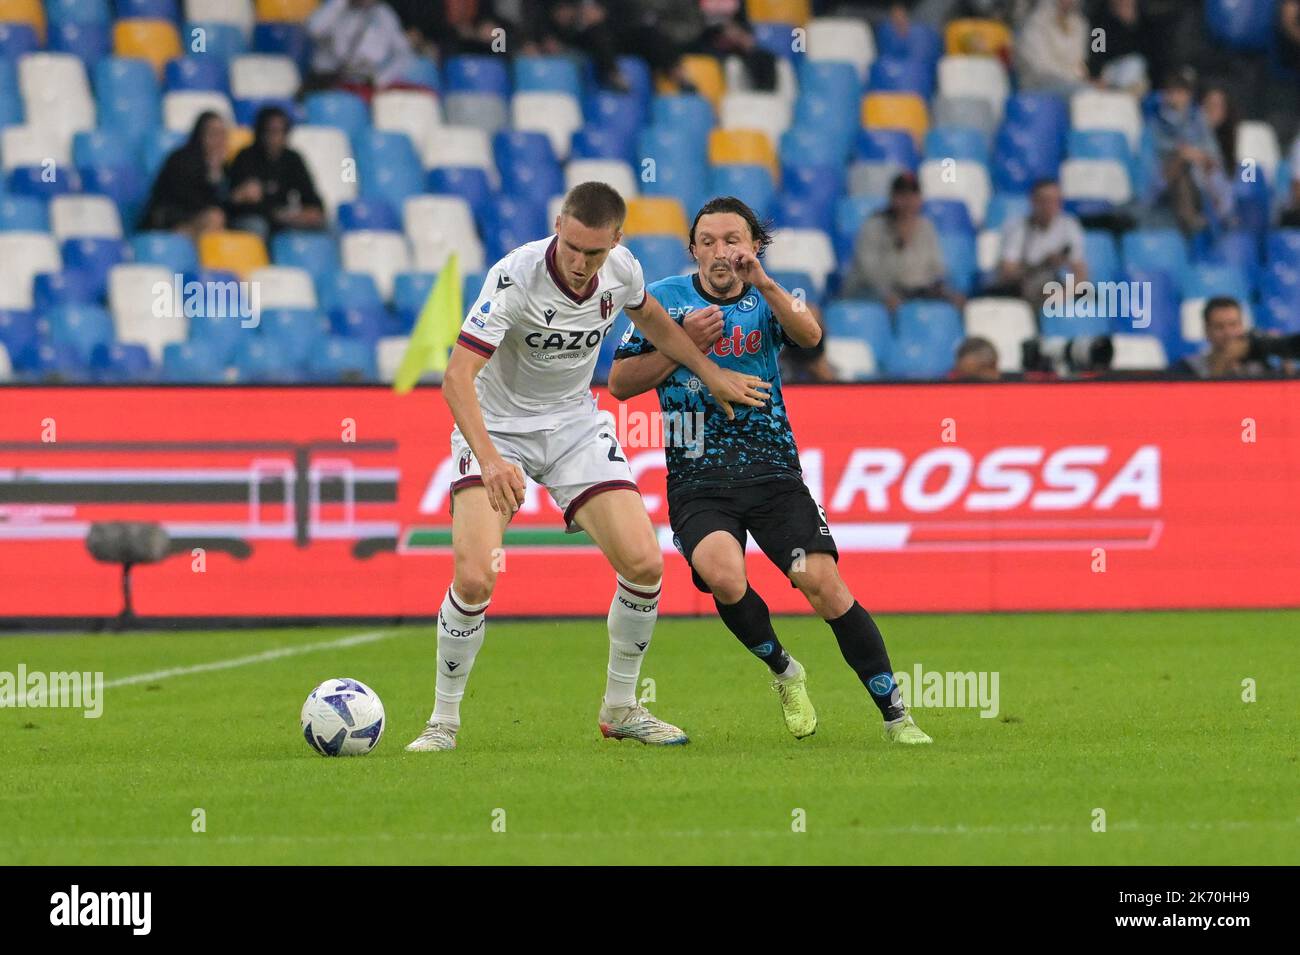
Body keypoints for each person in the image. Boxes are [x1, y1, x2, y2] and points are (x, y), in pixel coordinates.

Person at [405, 182, 769, 753]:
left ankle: (622, 708)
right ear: (558, 224)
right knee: (476, 575)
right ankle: (442, 722)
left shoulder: (622, 270)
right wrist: (492, 459)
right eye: (571, 246)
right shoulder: (514, 277)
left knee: (646, 564)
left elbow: (654, 322)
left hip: (574, 427)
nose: (580, 263)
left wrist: (708, 371)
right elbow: (456, 380)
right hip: (496, 428)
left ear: (616, 243)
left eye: (593, 253)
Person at [607, 196, 933, 746]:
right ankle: (785, 670)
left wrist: (767, 283)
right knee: (723, 574)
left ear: (753, 245)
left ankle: (896, 714)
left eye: (732, 239)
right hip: (697, 477)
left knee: (820, 582)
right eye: (707, 241)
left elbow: (811, 338)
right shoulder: (663, 300)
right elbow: (619, 384)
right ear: (692, 249)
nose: (719, 251)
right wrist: (688, 346)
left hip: (773, 472)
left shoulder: (766, 297)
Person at [841, 172, 965, 312]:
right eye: (902, 195)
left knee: (956, 300)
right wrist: (900, 241)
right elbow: (870, 273)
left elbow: (937, 268)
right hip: (873, 291)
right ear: (892, 198)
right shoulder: (873, 226)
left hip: (914, 291)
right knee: (890, 302)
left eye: (912, 195)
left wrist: (942, 290)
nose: (908, 201)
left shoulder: (926, 227)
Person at [1149, 67, 1234, 235]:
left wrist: (1195, 155)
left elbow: (1212, 155)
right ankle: (1190, 220)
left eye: (1181, 92)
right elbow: (1161, 155)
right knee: (1182, 169)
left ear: (1188, 95)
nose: (1176, 98)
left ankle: (1223, 219)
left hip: (1200, 177)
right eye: (1172, 92)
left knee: (1210, 172)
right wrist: (1184, 155)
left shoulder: (1199, 120)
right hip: (1166, 179)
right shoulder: (1156, 122)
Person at [226, 107, 326, 240]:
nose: (277, 137)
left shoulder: (292, 159)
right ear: (261, 132)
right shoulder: (245, 157)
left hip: (284, 217)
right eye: (272, 131)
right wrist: (277, 214)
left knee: (327, 225)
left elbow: (310, 195)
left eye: (281, 131)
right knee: (257, 227)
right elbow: (239, 203)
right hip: (252, 217)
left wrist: (311, 212)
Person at [993, 178, 1088, 309]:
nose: (1050, 206)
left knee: (1089, 297)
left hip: (1055, 286)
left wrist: (1064, 294)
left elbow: (1080, 273)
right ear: (1033, 202)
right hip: (1025, 287)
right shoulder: (1018, 228)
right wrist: (1042, 264)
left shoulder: (1069, 225)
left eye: (1055, 201)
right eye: (1045, 200)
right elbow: (1007, 272)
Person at [138, 111, 230, 238]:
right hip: (168, 220)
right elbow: (183, 201)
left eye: (223, 135)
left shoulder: (223, 168)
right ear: (200, 135)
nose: (219, 141)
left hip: (197, 220)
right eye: (214, 134)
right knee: (214, 218)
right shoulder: (181, 160)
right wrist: (211, 179)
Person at [306, 0, 414, 93]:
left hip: (367, 82)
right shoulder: (337, 9)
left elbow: (403, 52)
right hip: (331, 80)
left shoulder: (384, 14)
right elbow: (313, 29)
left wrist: (382, 78)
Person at [1172, 297, 1268, 379]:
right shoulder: (1186, 368)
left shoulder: (1260, 367)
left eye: (1233, 325)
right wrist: (1223, 362)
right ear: (1207, 331)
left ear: (1242, 326)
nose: (1228, 333)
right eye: (1219, 327)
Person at [1014, 0, 1089, 95]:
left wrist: (1084, 80)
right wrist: (1076, 79)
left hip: (1072, 84)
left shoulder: (1080, 24)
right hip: (1036, 86)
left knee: (1095, 94)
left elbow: (1078, 62)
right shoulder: (1035, 23)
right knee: (1086, 94)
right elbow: (1042, 66)